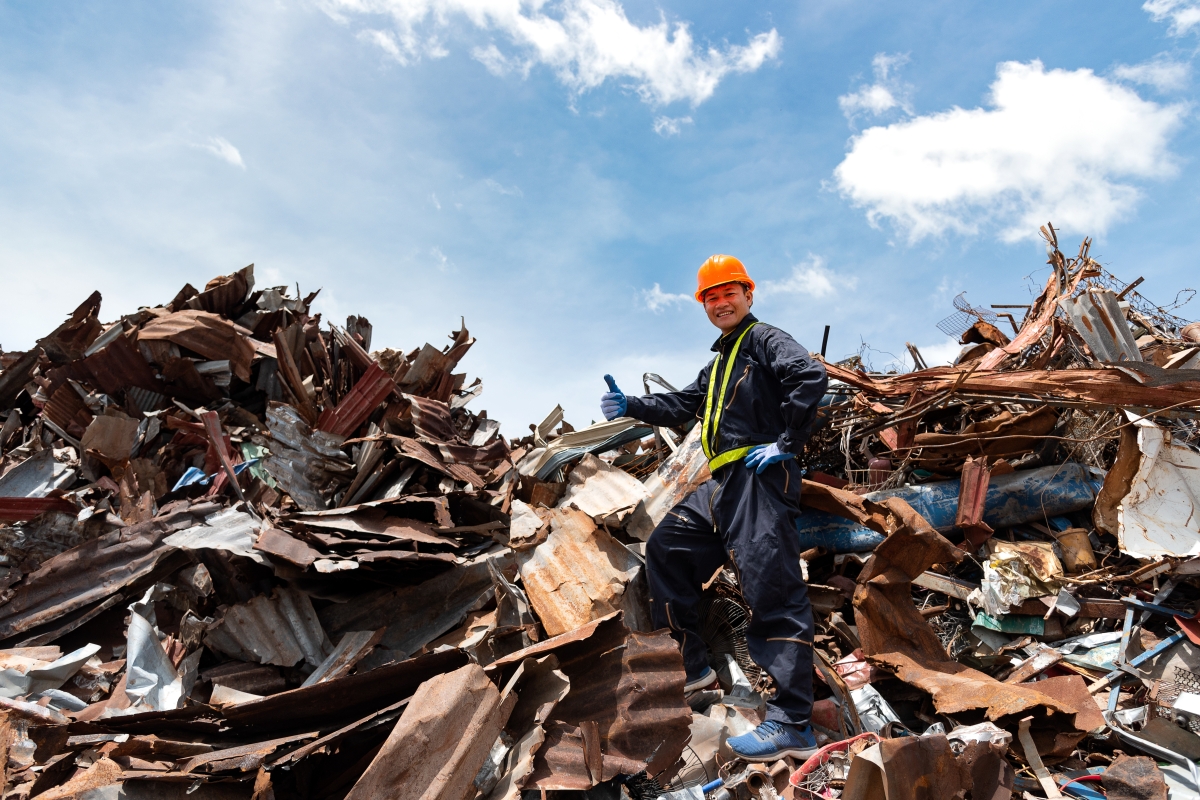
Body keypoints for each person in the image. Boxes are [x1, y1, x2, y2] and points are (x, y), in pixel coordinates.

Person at [600, 254, 828, 761]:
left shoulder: (765, 339)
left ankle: (793, 722)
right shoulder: (723, 359)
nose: (721, 303)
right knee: (667, 547)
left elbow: (808, 378)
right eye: (711, 297)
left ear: (749, 294)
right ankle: (696, 668)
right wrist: (631, 406)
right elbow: (683, 404)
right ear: (703, 306)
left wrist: (788, 442)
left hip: (760, 475)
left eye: (729, 293)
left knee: (772, 587)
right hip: (723, 481)